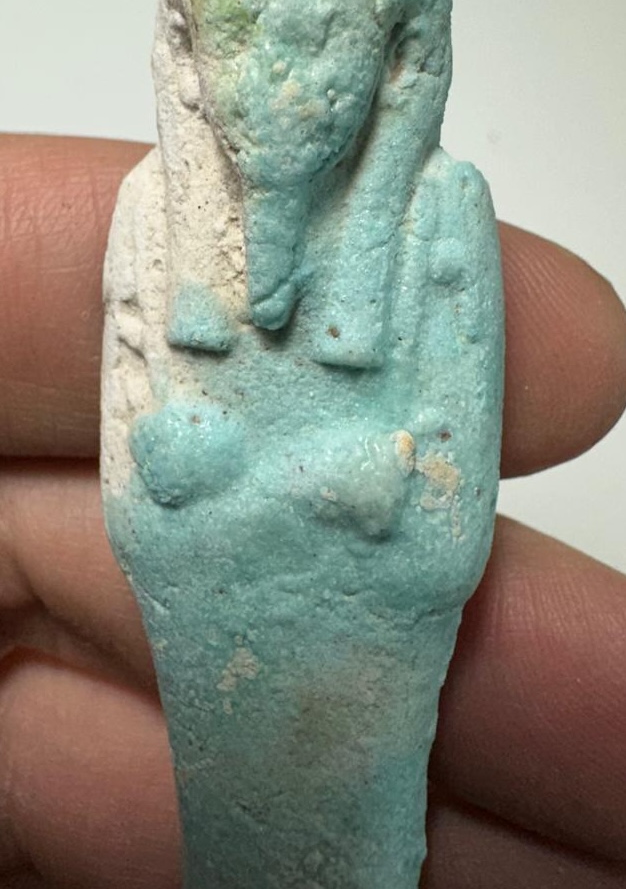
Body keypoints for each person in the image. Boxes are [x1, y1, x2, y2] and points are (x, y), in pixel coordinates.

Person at [1, 131, 625, 889]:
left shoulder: (440, 205)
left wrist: (240, 480)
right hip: (211, 629)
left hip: (369, 649)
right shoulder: (152, 203)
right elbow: (146, 532)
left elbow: (440, 548)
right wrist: (315, 483)